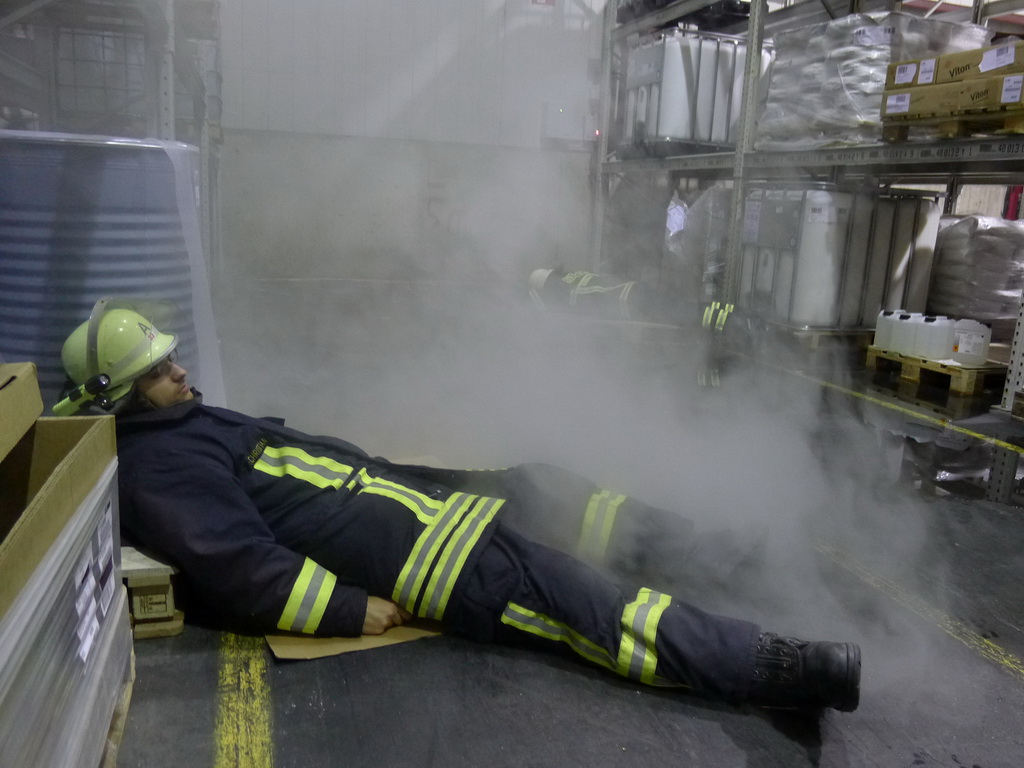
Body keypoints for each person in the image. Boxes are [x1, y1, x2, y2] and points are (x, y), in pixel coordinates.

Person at [56, 298, 861, 713]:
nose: (180, 370)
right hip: (425, 556)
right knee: (582, 600)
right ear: (119, 396)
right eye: (158, 370)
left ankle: (724, 557)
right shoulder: (159, 464)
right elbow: (233, 561)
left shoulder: (184, 422)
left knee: (549, 485)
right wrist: (344, 608)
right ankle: (770, 666)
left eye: (170, 359)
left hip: (416, 500)